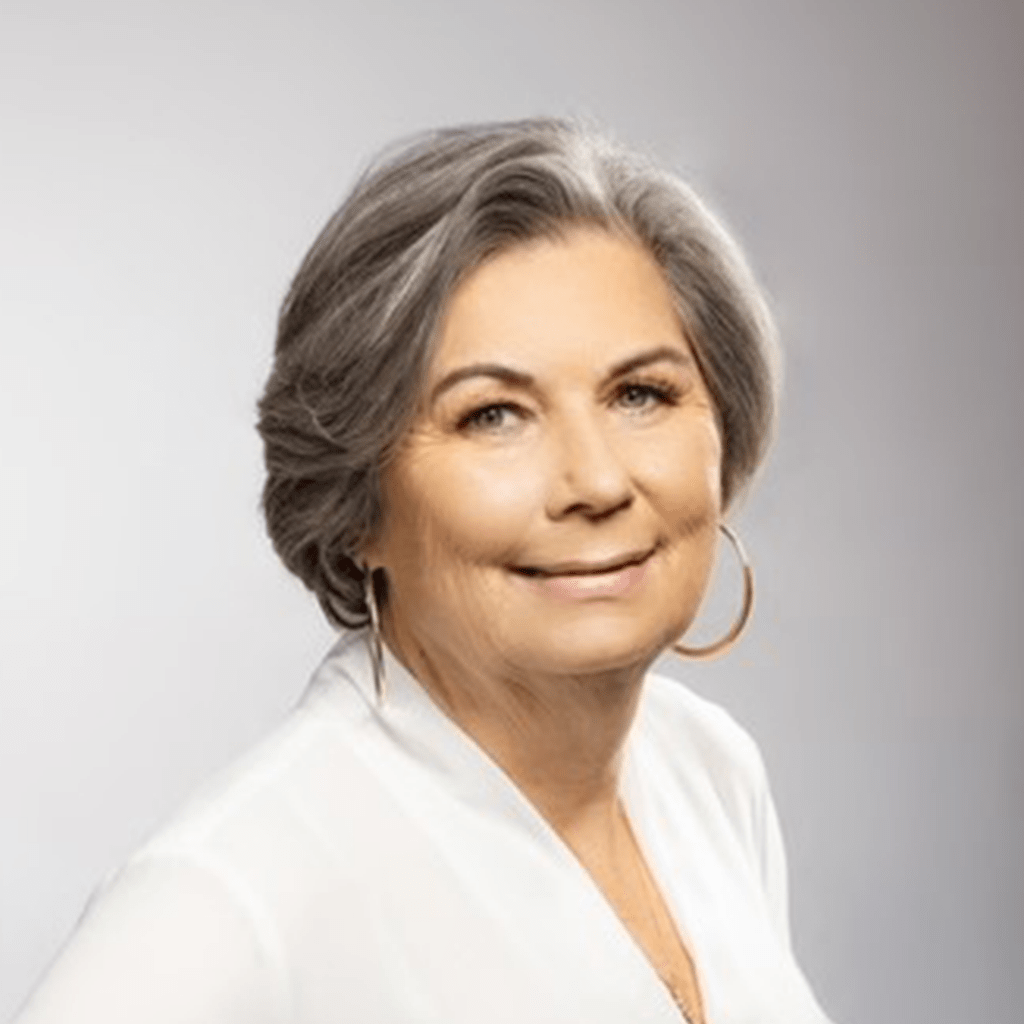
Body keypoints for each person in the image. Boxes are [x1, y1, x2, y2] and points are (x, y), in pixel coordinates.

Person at [16, 118, 833, 1024]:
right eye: (493, 415)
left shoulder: (709, 772)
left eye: (640, 394)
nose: (597, 482)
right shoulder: (227, 899)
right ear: (357, 503)